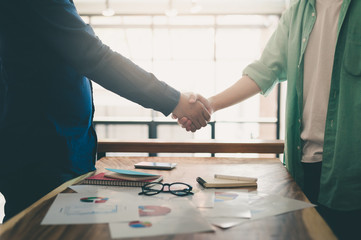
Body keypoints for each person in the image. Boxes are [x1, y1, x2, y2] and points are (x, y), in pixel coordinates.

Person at [0, 0, 211, 222]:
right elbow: (95, 57)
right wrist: (174, 100)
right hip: (41, 151)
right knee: (37, 229)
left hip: (58, 148)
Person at [179, 0, 360, 239]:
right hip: (301, 165)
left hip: (350, 169)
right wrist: (209, 105)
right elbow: (264, 71)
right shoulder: (296, 13)